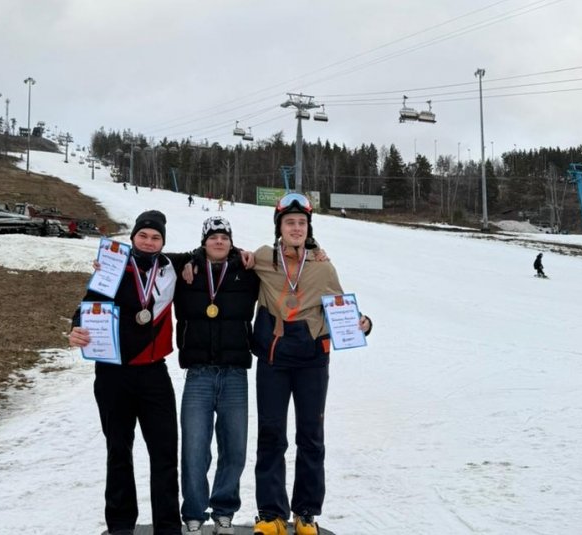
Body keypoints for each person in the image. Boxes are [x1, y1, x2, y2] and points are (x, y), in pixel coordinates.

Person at [250, 193, 372, 535]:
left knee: (311, 437)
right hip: (274, 360)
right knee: (271, 435)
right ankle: (271, 514)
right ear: (279, 227)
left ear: (308, 228)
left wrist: (363, 323)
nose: (296, 228)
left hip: (313, 363)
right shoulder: (262, 258)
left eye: (301, 223)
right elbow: (224, 256)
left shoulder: (323, 265)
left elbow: (340, 308)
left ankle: (305, 513)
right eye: (290, 222)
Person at [68, 210, 188, 535]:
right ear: (133, 237)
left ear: (163, 242)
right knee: (118, 450)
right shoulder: (112, 266)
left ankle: (168, 528)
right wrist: (76, 328)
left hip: (154, 374)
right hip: (112, 374)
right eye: (143, 236)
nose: (149, 242)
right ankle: (121, 526)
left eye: (156, 237)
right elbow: (87, 306)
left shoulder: (171, 267)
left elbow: (214, 251)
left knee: (164, 453)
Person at [176, 216, 260, 535]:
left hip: (235, 373)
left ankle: (224, 510)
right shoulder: (187, 272)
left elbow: (281, 261)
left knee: (234, 447)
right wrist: (189, 259)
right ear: (204, 242)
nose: (219, 241)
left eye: (225, 237)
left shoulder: (246, 273)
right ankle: (194, 513)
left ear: (232, 242)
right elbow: (155, 257)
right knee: (195, 447)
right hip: (198, 374)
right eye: (213, 237)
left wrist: (316, 250)